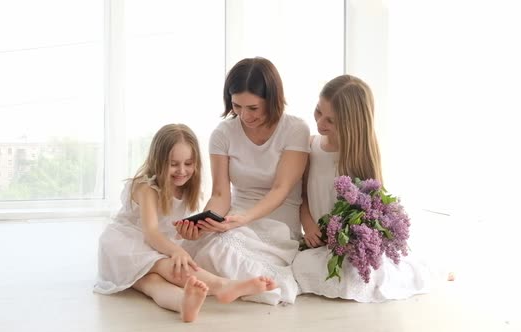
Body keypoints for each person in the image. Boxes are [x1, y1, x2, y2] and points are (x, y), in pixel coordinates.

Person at [94, 124, 277, 322]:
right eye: (174, 164)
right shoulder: (146, 187)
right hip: (125, 244)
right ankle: (223, 286)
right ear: (158, 161)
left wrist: (188, 234)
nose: (182, 170)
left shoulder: (184, 189)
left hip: (152, 246)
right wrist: (176, 250)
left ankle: (183, 303)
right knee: (167, 264)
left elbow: (169, 229)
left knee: (152, 284)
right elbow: (152, 232)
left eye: (188, 163)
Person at [176, 57, 310, 305]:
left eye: (253, 108)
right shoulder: (223, 133)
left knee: (223, 250)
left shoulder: (295, 129)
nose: (244, 115)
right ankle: (230, 286)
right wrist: (205, 222)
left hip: (276, 219)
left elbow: (281, 189)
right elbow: (220, 195)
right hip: (234, 216)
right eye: (237, 106)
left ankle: (234, 284)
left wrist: (244, 220)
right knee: (194, 248)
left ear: (273, 99)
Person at [292, 75, 431, 302]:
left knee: (355, 275)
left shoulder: (360, 155)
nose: (320, 123)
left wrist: (350, 238)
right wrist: (308, 225)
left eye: (331, 120)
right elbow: (301, 194)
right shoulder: (311, 146)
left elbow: (373, 208)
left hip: (346, 241)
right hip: (318, 237)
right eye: (318, 112)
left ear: (351, 123)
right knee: (303, 267)